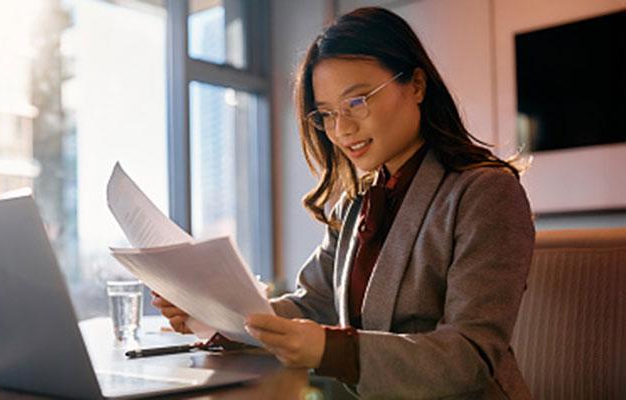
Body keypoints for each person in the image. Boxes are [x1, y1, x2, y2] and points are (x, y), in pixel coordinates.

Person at [153, 7, 534, 399]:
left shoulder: (485, 193)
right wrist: (219, 316)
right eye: (328, 114)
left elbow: (467, 357)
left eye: (357, 102)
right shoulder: (355, 204)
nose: (342, 130)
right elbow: (311, 305)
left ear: (416, 85)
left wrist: (330, 349)